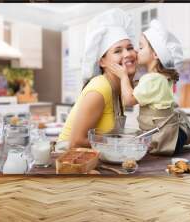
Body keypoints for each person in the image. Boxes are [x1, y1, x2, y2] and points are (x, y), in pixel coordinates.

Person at [107, 20, 190, 156]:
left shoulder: (152, 79)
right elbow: (136, 90)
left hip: (167, 139)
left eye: (141, 47)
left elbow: (129, 100)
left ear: (156, 54)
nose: (136, 51)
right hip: (175, 134)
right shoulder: (161, 77)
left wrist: (123, 76)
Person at [58, 8, 137, 148]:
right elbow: (76, 141)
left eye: (130, 48)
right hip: (70, 159)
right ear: (102, 61)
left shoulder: (120, 87)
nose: (127, 54)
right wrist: (121, 144)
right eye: (118, 51)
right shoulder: (100, 89)